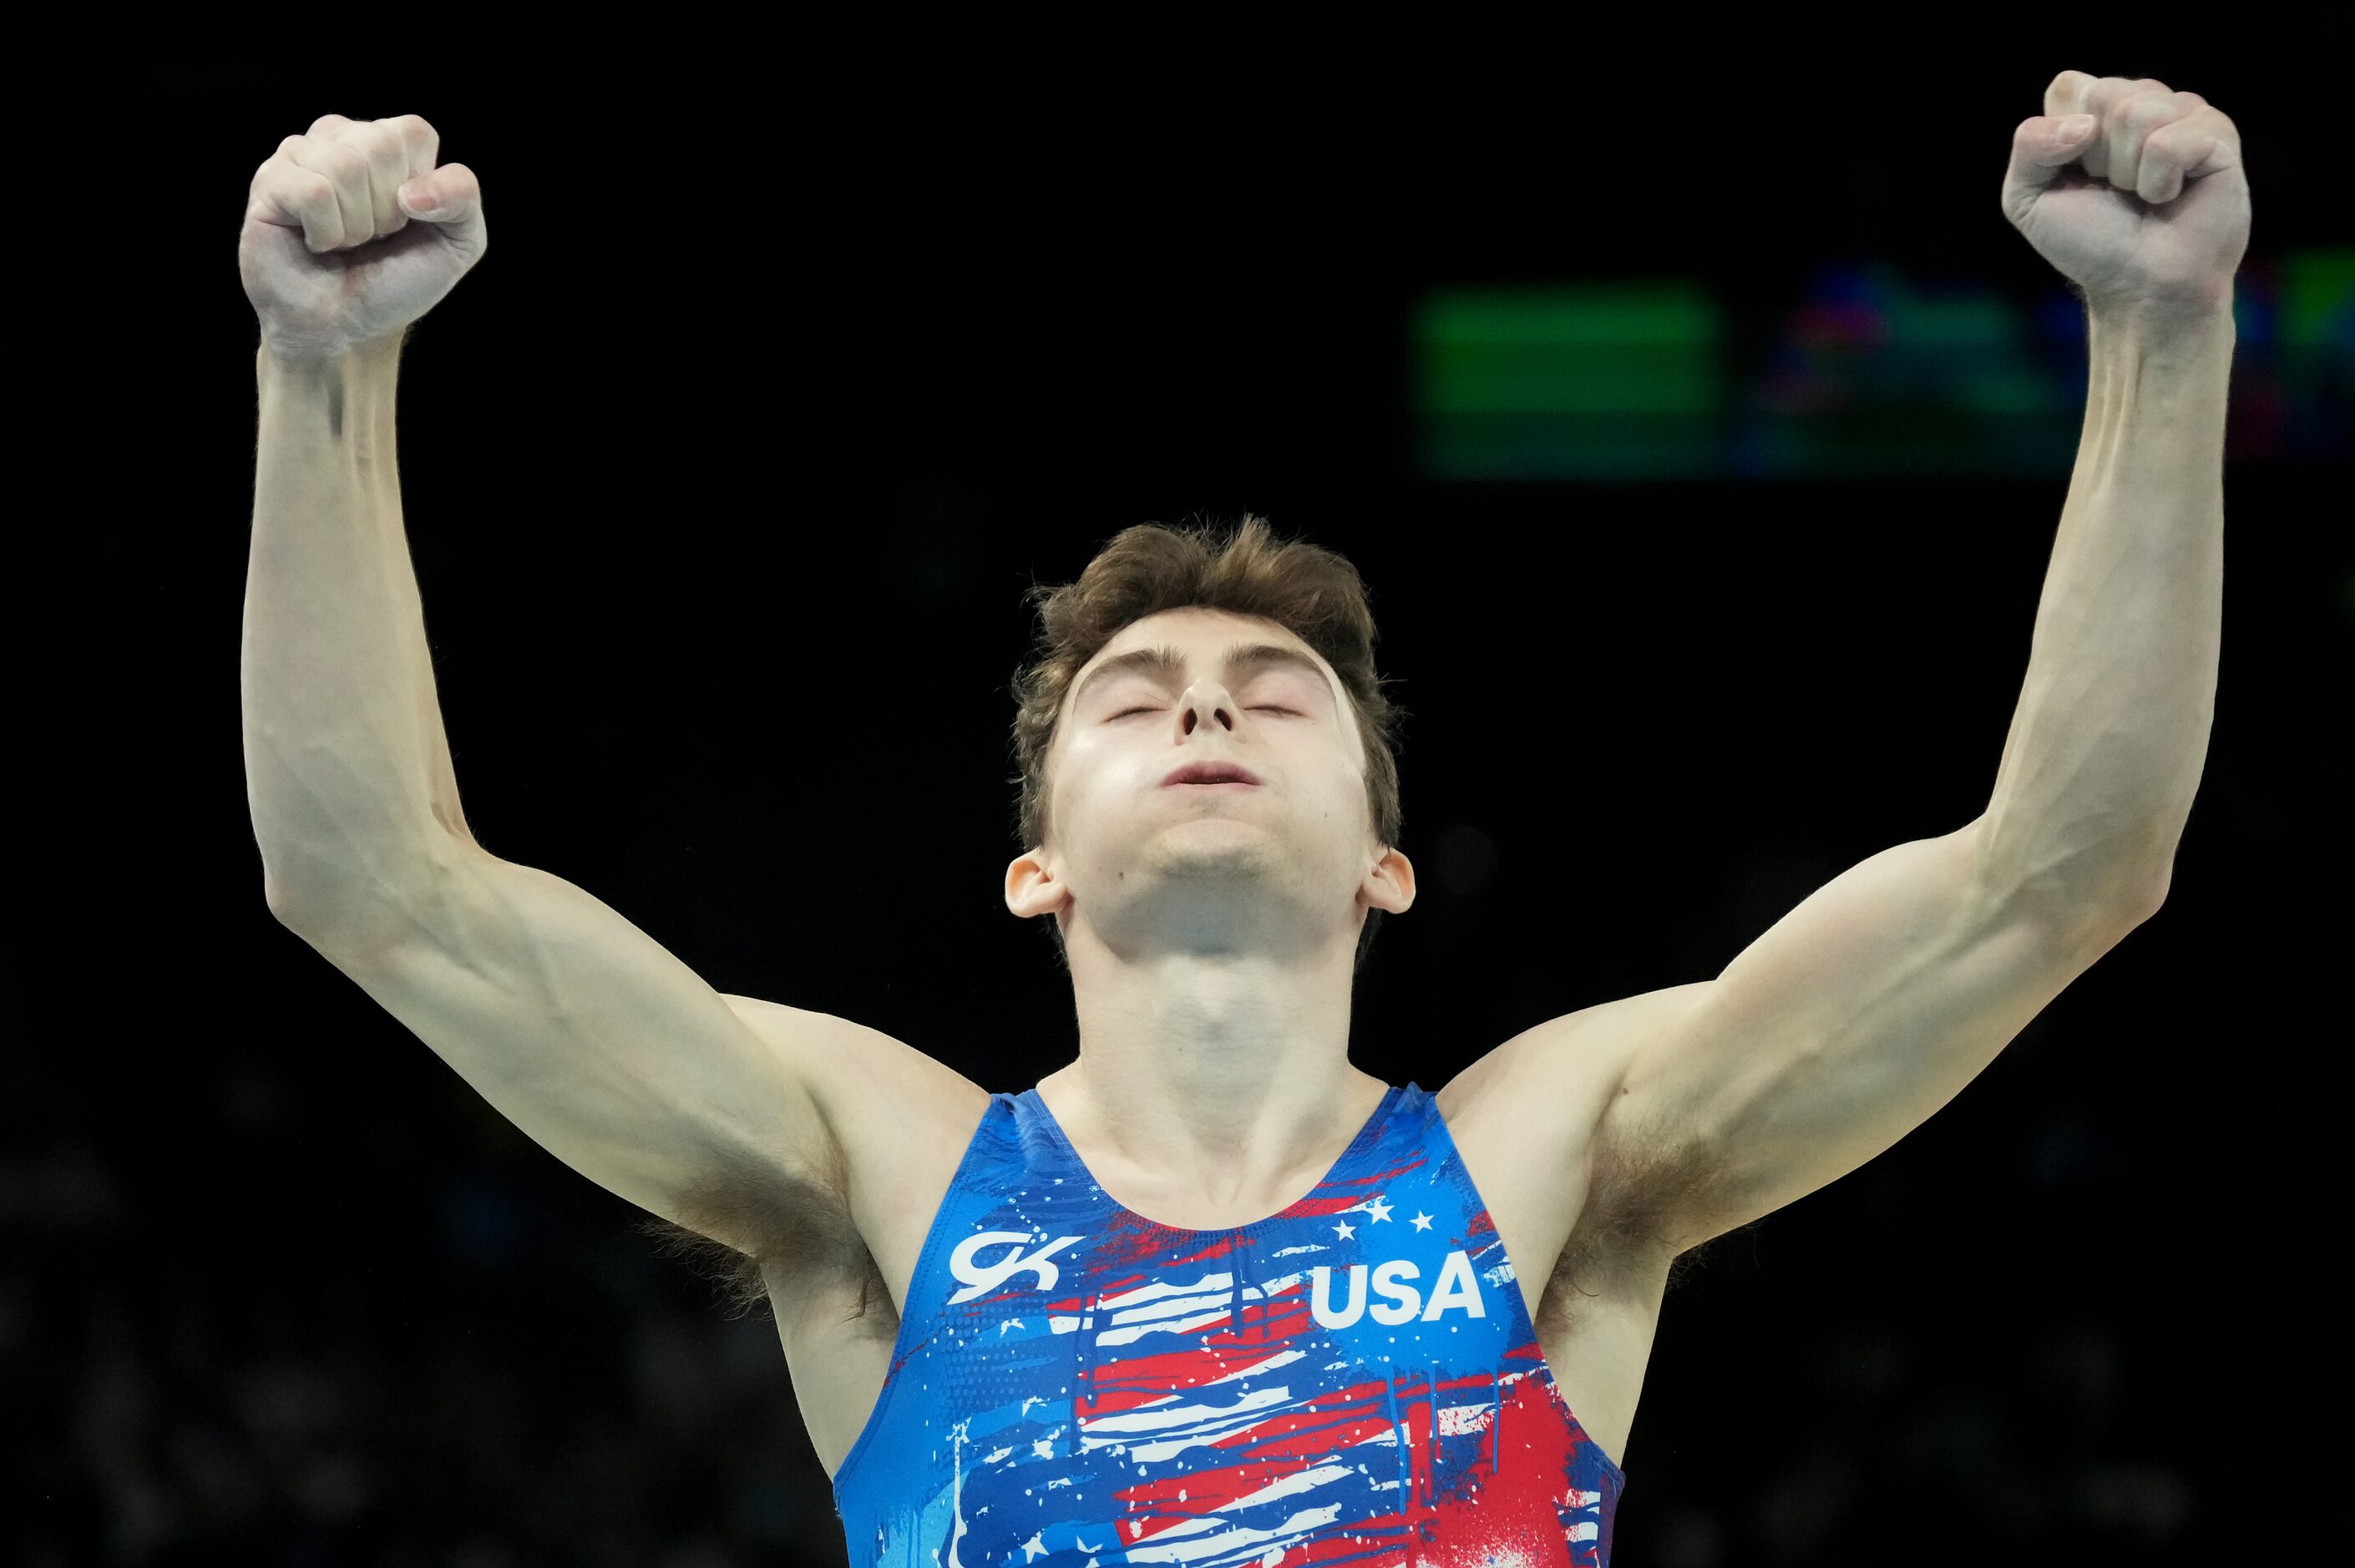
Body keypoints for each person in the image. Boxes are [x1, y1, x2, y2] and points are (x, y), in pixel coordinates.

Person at [239, 70, 2246, 1565]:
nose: (1205, 697)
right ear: (1036, 865)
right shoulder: (883, 1168)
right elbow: (380, 889)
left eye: (1274, 693)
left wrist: (2166, 337)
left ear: (1386, 853)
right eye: (1138, 697)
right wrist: (322, 373)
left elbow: (2059, 872)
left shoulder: (1554, 1154)